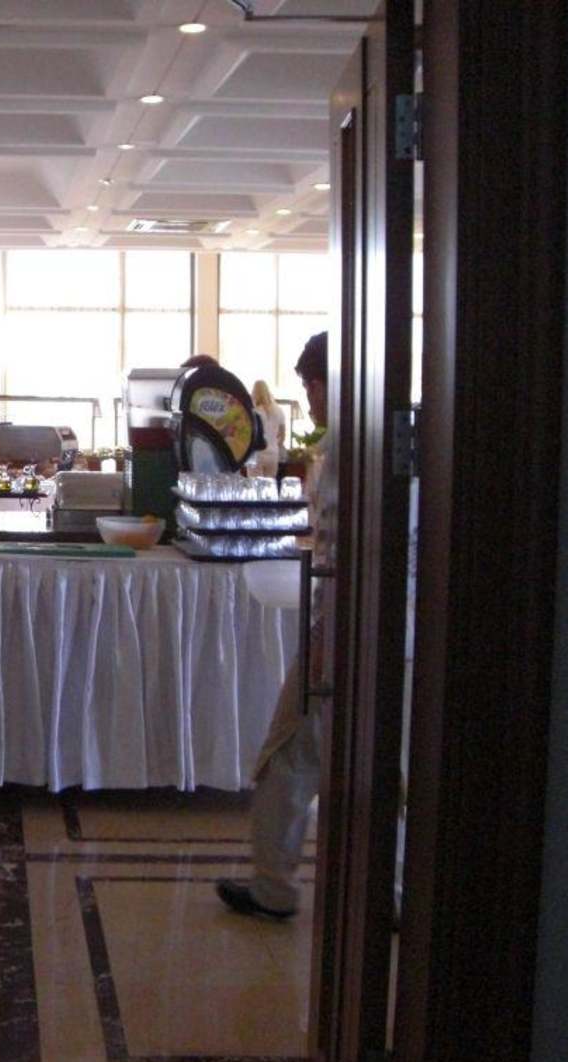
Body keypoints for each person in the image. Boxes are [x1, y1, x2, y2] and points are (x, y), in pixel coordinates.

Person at [217, 331, 330, 919]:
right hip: (397, 636)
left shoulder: (344, 454)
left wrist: (323, 640)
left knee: (285, 760)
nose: (309, 399)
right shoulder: (397, 443)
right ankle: (389, 894)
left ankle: (274, 886)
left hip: (340, 639)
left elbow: (344, 556)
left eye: (311, 386)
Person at [250, 379, 288, 478]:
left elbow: (249, 434)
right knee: (270, 484)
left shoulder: (254, 412)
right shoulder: (279, 410)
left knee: (254, 485)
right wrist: (275, 444)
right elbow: (283, 435)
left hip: (256, 454)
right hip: (273, 454)